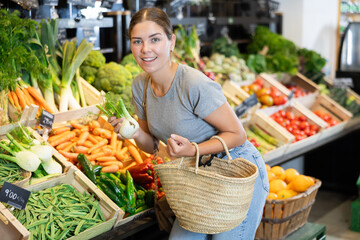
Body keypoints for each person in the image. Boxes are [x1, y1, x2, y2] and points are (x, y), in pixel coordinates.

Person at [109, 7, 269, 240]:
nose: (145, 49)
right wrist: (131, 131)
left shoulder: (193, 84)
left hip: (235, 172)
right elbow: (152, 144)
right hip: (196, 177)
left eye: (155, 39)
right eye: (137, 41)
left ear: (171, 41)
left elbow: (237, 134)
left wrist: (194, 149)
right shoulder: (140, 86)